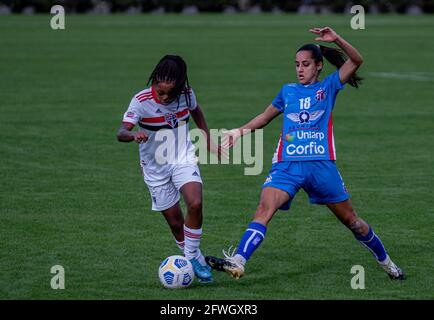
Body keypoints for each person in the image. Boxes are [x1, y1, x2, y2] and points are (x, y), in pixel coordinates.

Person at [206, 27, 405, 280]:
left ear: (319, 66)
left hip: (321, 167)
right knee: (264, 209)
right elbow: (265, 117)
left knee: (353, 222)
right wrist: (239, 132)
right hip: (287, 165)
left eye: (306, 64)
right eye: (297, 64)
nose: (300, 69)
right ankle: (238, 260)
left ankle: (388, 263)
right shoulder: (287, 90)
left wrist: (338, 40)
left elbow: (357, 60)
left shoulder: (329, 86)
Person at [117, 54, 221, 283]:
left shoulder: (186, 94)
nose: (164, 98)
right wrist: (134, 134)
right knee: (175, 223)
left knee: (195, 203)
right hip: (155, 168)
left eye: (169, 94)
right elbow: (121, 133)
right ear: (154, 81)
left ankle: (192, 257)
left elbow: (196, 111)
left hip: (183, 157)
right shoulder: (141, 100)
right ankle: (197, 258)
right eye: (160, 91)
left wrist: (208, 138)